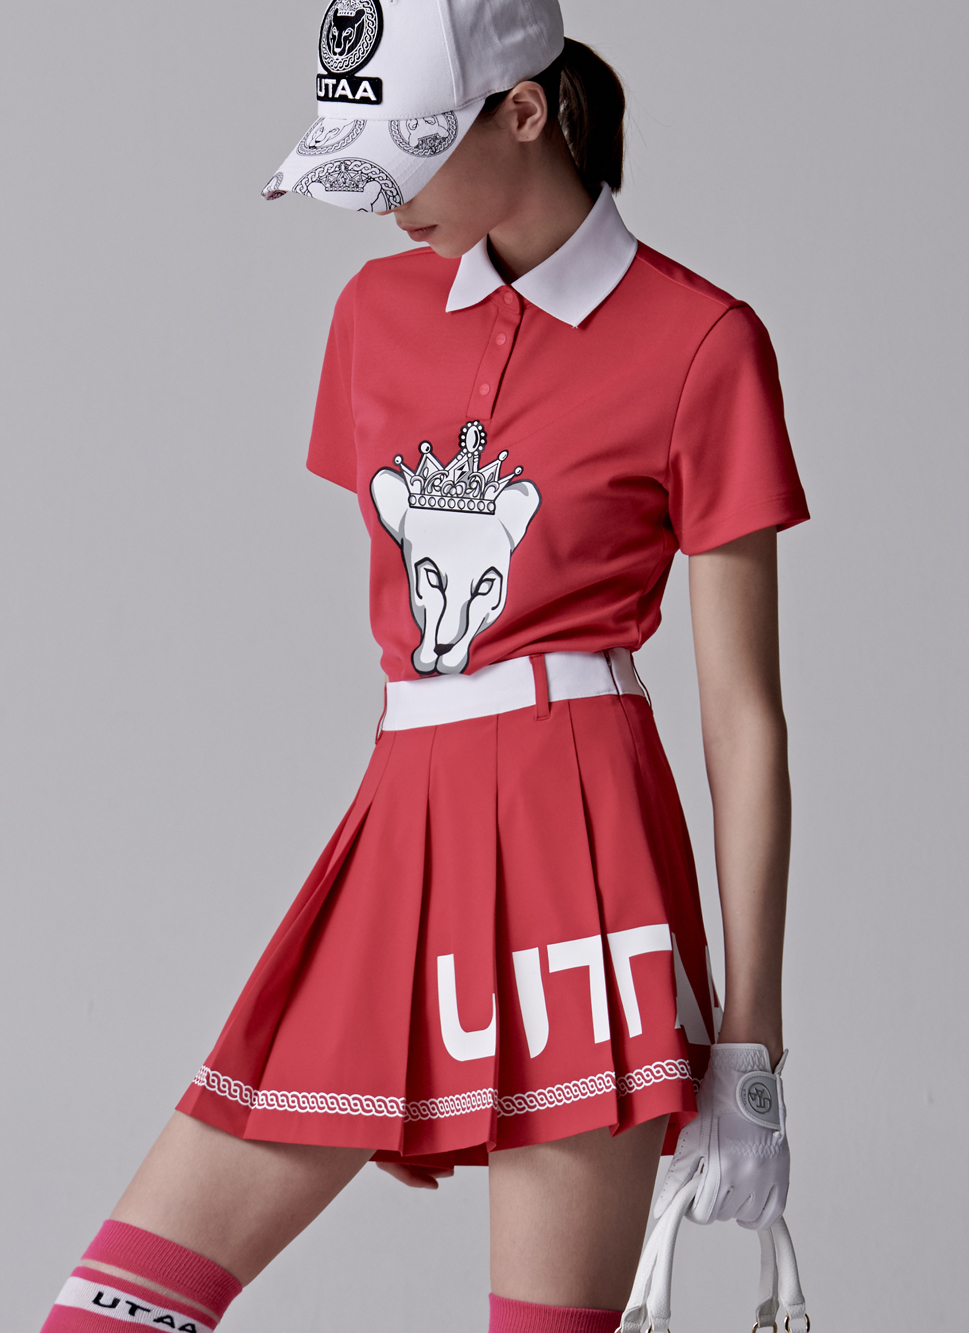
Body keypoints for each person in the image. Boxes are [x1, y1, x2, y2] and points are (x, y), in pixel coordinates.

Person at [40, 1, 809, 1330]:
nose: (380, 203)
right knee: (108, 1309)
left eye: (404, 159)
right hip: (400, 830)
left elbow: (744, 720)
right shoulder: (373, 314)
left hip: (583, 859)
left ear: (524, 110)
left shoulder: (702, 342)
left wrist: (752, 1039)